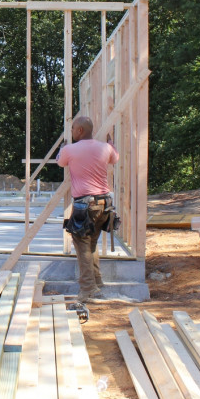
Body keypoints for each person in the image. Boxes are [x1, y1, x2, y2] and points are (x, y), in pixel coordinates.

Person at [56, 115, 119, 304]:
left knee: (82, 245)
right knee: (91, 244)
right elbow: (114, 158)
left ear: (80, 131)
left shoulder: (70, 150)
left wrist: (62, 148)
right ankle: (97, 283)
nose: (73, 131)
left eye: (74, 128)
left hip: (85, 205)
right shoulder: (105, 148)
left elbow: (60, 161)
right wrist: (111, 142)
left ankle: (88, 289)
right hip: (105, 204)